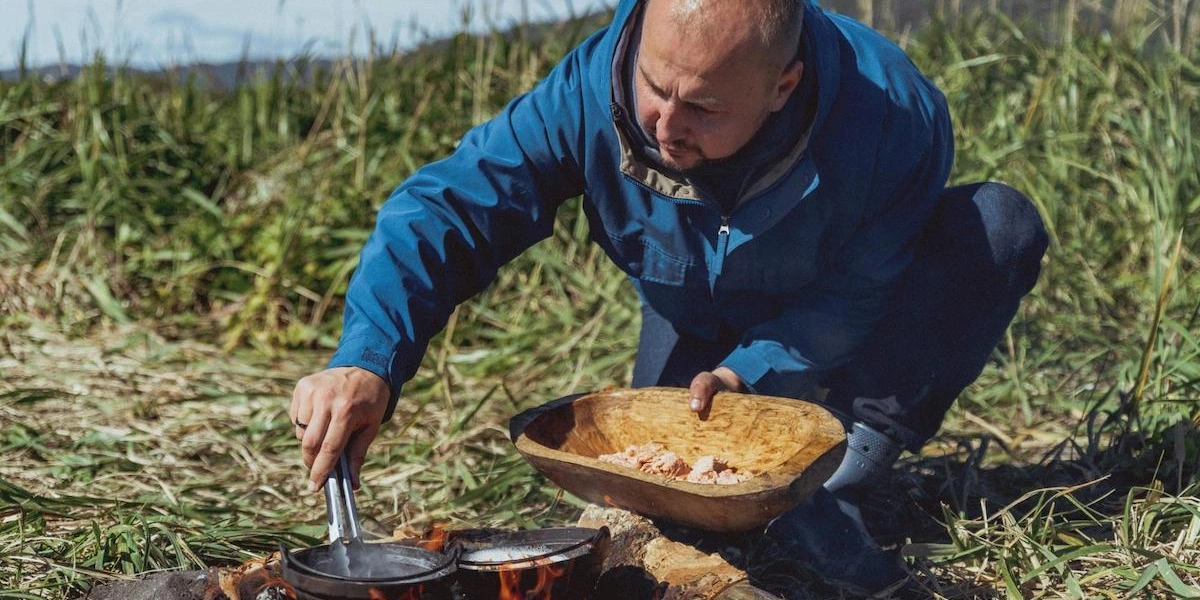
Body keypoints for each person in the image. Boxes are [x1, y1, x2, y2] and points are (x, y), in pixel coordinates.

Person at [290, 0, 1049, 594]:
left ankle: (849, 470)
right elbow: (452, 209)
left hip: (831, 333)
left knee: (997, 225)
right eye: (656, 89)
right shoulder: (594, 85)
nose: (664, 125)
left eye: (705, 109)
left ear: (782, 86)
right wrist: (370, 359)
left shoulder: (892, 115)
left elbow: (856, 296)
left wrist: (750, 374)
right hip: (692, 316)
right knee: (673, 514)